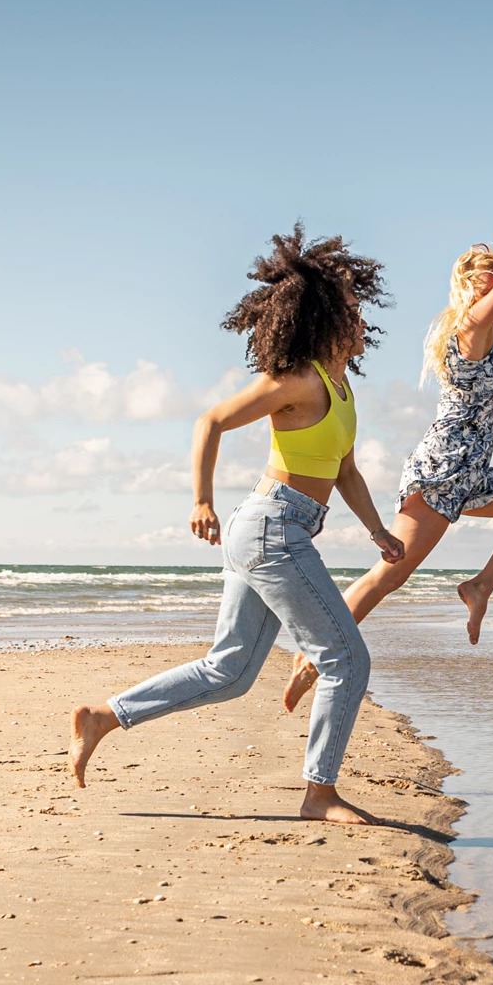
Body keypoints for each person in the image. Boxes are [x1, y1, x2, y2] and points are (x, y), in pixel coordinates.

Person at [70, 226, 405, 825]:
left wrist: (378, 531)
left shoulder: (342, 387)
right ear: (324, 317)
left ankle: (104, 716)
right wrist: (201, 500)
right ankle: (319, 794)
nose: (359, 319)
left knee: (229, 671)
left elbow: (346, 470)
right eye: (350, 309)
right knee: (345, 659)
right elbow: (210, 421)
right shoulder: (295, 380)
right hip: (273, 528)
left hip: (283, 529)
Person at [284, 173, 493, 708]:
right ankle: (312, 654)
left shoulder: (484, 316)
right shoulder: (474, 324)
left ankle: (480, 586)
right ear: (477, 289)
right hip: (443, 468)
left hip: (473, 470)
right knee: (390, 574)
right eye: (488, 279)